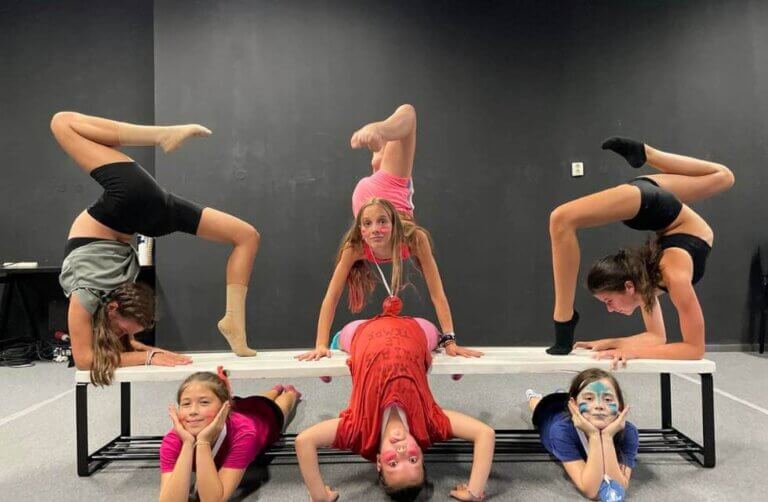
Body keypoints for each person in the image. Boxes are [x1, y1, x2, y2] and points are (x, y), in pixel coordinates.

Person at [51, 111, 260, 384]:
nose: (127, 336)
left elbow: (84, 359)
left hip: (137, 208)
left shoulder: (85, 299)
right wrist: (150, 354)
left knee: (247, 236)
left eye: (125, 332)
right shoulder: (106, 302)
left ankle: (234, 323)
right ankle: (160, 135)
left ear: (113, 309)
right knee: (63, 123)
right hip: (135, 206)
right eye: (128, 332)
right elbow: (91, 359)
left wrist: (147, 355)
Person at [298, 104, 480, 362]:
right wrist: (320, 344)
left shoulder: (414, 239)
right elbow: (332, 295)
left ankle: (380, 145)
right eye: (368, 227)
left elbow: (437, 293)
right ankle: (381, 141)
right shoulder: (356, 246)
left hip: (381, 193)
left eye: (383, 224)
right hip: (384, 192)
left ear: (393, 224)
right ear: (360, 228)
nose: (376, 231)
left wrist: (449, 340)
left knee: (406, 115)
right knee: (407, 114)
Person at [548, 136, 734, 365]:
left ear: (628, 286)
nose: (609, 309)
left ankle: (563, 320)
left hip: (655, 206)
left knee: (561, 219)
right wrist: (613, 343)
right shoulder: (651, 281)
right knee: (724, 177)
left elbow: (694, 349)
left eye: (608, 300)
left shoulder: (667, 276)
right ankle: (646, 153)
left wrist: (633, 353)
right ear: (629, 287)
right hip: (658, 204)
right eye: (607, 302)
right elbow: (657, 338)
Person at [296, 313, 495, 501]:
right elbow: (485, 434)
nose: (402, 451)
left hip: (363, 331)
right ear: (421, 454)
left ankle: (336, 343)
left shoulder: (358, 432)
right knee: (433, 333)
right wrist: (474, 492)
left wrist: (319, 496)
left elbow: (304, 441)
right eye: (413, 460)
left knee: (345, 334)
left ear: (379, 462)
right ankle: (450, 357)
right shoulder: (430, 424)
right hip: (415, 329)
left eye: (393, 463)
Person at [159, 368, 301, 501]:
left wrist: (203, 442)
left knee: (277, 406)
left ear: (224, 407)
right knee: (254, 399)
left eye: (204, 402)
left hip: (261, 417)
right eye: (186, 404)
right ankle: (274, 390)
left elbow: (214, 500)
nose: (193, 411)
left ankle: (290, 394)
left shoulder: (245, 434)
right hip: (234, 409)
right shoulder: (173, 440)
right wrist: (188, 444)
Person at [526, 368, 637, 501]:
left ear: (620, 407)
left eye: (607, 399)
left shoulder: (628, 432)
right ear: (574, 405)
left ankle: (565, 394)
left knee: (569, 397)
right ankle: (534, 397)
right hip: (551, 414)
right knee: (538, 405)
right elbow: (591, 491)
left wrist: (606, 437)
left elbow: (616, 490)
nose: (599, 406)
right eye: (589, 398)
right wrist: (594, 435)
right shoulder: (561, 431)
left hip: (579, 407)